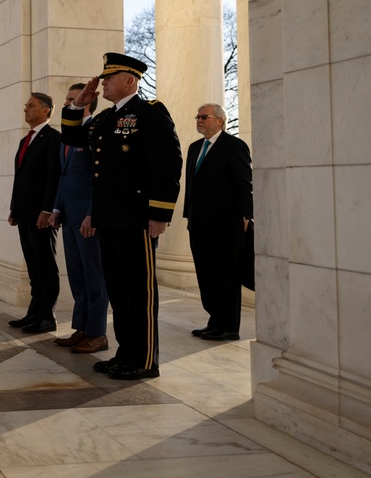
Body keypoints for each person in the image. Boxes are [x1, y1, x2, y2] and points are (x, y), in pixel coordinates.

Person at [61, 53, 181, 380]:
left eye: (109, 77)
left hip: (138, 219)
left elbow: (167, 164)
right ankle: (124, 354)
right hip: (109, 219)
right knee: (118, 290)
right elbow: (72, 138)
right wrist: (78, 106)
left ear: (129, 80)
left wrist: (160, 213)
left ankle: (143, 360)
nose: (103, 83)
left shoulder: (149, 113)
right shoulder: (104, 119)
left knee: (139, 292)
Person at [184, 103, 252, 341]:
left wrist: (246, 215)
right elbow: (191, 187)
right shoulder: (194, 148)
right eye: (197, 116)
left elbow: (244, 183)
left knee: (226, 275)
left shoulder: (234, 146)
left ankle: (229, 327)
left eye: (204, 117)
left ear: (220, 121)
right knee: (206, 274)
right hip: (198, 223)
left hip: (227, 222)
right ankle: (215, 321)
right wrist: (188, 215)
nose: (199, 120)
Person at [50, 84, 109, 354]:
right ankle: (82, 328)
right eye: (67, 100)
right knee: (77, 276)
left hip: (88, 218)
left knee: (94, 277)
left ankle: (98, 334)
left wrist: (92, 214)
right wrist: (57, 209)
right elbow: (64, 178)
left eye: (73, 100)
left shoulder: (97, 131)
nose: (67, 104)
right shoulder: (69, 135)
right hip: (69, 216)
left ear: (87, 102)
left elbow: (100, 181)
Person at [7, 92, 62, 334]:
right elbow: (20, 179)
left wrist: (47, 210)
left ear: (46, 110)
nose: (25, 109)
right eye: (25, 105)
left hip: (42, 216)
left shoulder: (53, 138)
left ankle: (47, 316)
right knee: (32, 265)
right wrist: (14, 208)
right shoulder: (24, 141)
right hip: (25, 213)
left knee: (45, 265)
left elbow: (53, 177)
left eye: (31, 106)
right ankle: (34, 312)